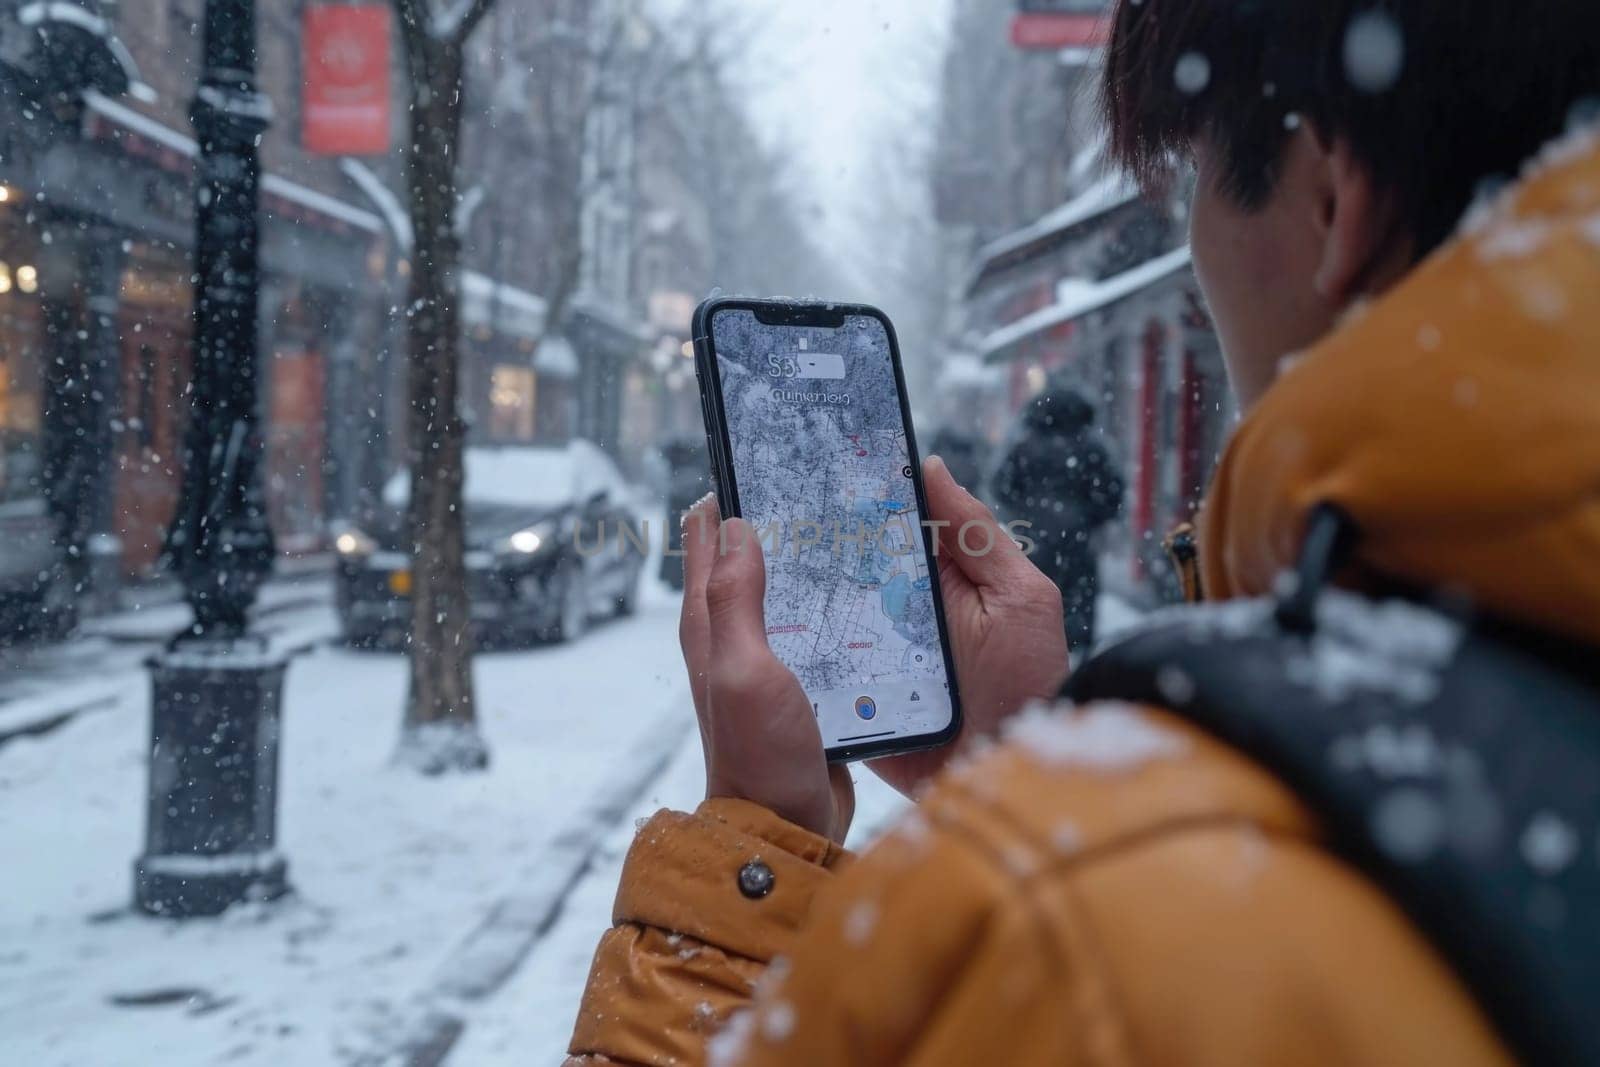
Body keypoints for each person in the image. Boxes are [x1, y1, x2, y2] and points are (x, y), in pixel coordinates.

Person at [566, 2, 1600, 1063]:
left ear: (1330, 195)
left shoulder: (1063, 938)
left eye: (1192, 177)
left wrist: (754, 842)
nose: (1193, 246)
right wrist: (1038, 744)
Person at [989, 384, 1122, 655]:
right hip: (1079, 541)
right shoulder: (1091, 446)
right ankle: (1074, 663)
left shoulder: (1024, 445)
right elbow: (1112, 492)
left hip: (1035, 539)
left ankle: (1035, 656)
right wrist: (1090, 517)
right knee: (1078, 606)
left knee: (1037, 601)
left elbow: (1000, 486)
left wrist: (1025, 512)